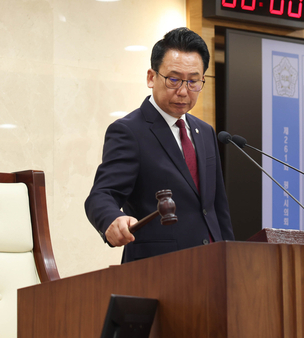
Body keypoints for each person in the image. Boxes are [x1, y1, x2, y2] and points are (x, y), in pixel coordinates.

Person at [85, 27, 234, 263]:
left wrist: (232, 258)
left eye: (193, 81)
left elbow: (217, 208)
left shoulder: (205, 132)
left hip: (212, 264)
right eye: (173, 79)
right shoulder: (129, 131)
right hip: (157, 267)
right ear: (151, 77)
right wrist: (112, 219)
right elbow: (102, 194)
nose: (183, 91)